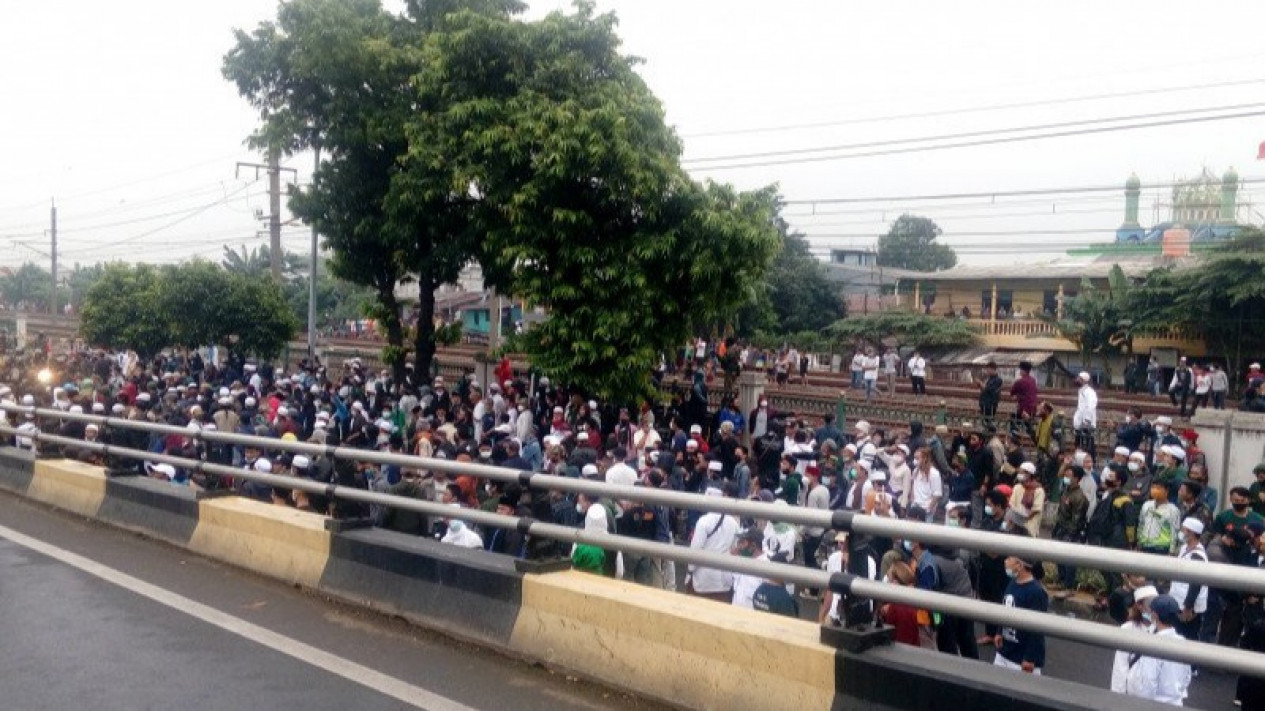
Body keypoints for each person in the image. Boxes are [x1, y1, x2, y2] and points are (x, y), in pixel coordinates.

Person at [1125, 595, 1192, 705]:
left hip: (1155, 704)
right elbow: (1187, 677)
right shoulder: (1182, 641)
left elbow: (1147, 683)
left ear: (1155, 615)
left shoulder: (1155, 645)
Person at [993, 553, 1048, 675]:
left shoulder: (1036, 592)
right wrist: (999, 631)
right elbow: (1006, 609)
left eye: (1009, 558)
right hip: (1005, 651)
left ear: (1019, 565)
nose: (1005, 561)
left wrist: (1030, 658)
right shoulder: (1012, 583)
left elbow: (1037, 629)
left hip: (1021, 658)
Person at [687, 487, 739, 602]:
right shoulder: (733, 522)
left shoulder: (703, 521)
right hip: (725, 578)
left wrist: (689, 571)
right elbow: (735, 549)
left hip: (703, 578)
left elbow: (695, 551)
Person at [1111, 585, 1159, 693]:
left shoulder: (1162, 630)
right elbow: (1120, 666)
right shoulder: (1128, 629)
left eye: (1157, 603)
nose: (1154, 608)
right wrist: (1118, 697)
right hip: (1133, 689)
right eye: (1151, 603)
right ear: (1139, 606)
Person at [1168, 518, 1209, 642]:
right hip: (1178, 601)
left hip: (1188, 608)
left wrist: (1188, 607)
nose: (1181, 532)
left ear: (1190, 532)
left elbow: (1195, 584)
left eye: (1183, 529)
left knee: (1187, 638)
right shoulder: (1184, 548)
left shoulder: (1198, 556)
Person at [1053, 465, 1089, 595]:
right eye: (1066, 475)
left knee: (1069, 559)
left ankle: (1069, 586)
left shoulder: (1079, 497)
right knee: (1058, 556)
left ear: (1077, 478)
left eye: (1069, 476)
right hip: (1061, 527)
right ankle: (1061, 580)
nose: (1066, 478)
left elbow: (1077, 518)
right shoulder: (1066, 491)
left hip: (1071, 531)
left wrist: (1071, 533)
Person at [1137, 482, 1181, 555]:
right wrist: (1139, 542)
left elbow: (1174, 531)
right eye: (1153, 487)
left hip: (1161, 548)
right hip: (1144, 546)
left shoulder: (1173, 510)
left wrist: (1172, 551)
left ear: (1166, 491)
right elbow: (1141, 524)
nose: (1154, 490)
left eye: (1158, 488)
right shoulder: (1146, 505)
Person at [1073, 371, 1098, 454]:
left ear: (1083, 380)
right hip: (1081, 424)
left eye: (1079, 379)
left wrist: (1086, 420)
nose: (1076, 380)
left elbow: (1090, 406)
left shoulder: (1089, 392)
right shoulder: (1082, 391)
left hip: (1086, 425)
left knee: (1088, 447)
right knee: (1079, 445)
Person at [977, 361, 1003, 426]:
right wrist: (980, 385)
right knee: (984, 422)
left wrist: (981, 383)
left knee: (989, 422)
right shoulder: (989, 379)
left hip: (990, 404)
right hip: (984, 403)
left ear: (993, 369)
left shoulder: (998, 380)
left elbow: (989, 389)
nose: (987, 372)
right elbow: (984, 390)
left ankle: (990, 432)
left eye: (988, 370)